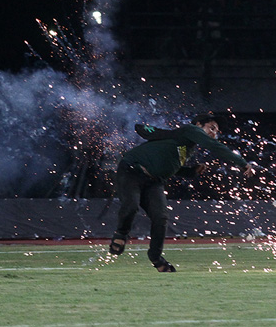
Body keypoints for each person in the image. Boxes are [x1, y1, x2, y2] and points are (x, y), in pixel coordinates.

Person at [108, 114, 254, 272]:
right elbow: (215, 146)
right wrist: (242, 163)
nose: (214, 133)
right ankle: (121, 235)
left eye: (216, 131)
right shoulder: (190, 130)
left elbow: (171, 167)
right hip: (131, 171)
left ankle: (156, 258)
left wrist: (191, 172)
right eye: (211, 128)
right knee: (131, 205)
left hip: (154, 181)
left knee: (161, 217)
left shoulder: (185, 146)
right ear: (198, 124)